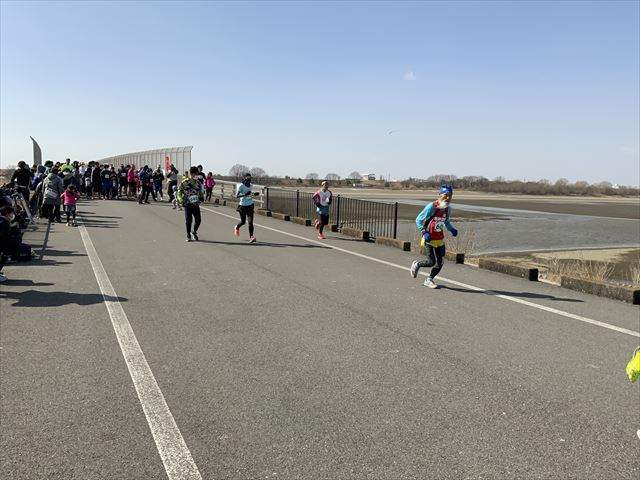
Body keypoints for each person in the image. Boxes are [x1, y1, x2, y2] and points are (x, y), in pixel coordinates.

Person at [409, 185, 458, 288]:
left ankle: (429, 279)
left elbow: (446, 222)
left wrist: (452, 229)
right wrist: (424, 232)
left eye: (450, 195)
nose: (448, 198)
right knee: (431, 262)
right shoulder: (431, 207)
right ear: (440, 195)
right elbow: (418, 220)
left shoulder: (448, 209)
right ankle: (417, 264)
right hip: (429, 238)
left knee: (440, 262)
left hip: (439, 239)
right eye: (446, 195)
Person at [177, 166, 204, 242]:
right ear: (192, 174)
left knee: (198, 220)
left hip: (196, 204)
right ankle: (188, 235)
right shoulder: (184, 182)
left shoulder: (198, 183)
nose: (197, 175)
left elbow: (201, 192)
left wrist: (201, 197)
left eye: (197, 174)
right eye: (196, 174)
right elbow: (179, 192)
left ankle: (194, 232)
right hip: (187, 204)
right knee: (189, 220)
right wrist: (180, 200)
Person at [234, 173, 258, 243]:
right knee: (243, 222)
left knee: (250, 222)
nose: (249, 179)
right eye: (247, 178)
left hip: (250, 205)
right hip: (242, 206)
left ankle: (251, 237)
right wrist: (245, 194)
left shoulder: (251, 185)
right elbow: (237, 196)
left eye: (250, 178)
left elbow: (250, 194)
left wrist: (254, 194)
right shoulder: (241, 186)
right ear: (244, 178)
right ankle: (237, 227)